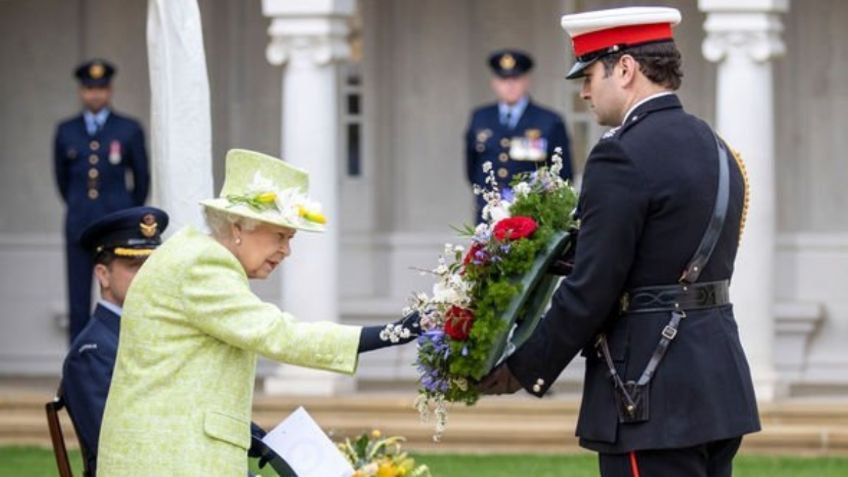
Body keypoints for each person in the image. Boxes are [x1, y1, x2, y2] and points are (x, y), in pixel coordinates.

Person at [479, 6, 760, 477]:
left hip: (648, 393)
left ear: (625, 68)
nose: (585, 91)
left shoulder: (620, 154)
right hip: (718, 383)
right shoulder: (717, 146)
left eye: (589, 74)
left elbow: (593, 287)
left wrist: (522, 367)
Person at [96, 149, 417, 476]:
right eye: (280, 235)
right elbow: (278, 334)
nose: (287, 251)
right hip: (167, 459)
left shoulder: (194, 254)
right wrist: (392, 334)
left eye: (290, 238)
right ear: (238, 226)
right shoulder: (203, 265)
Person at [60, 206, 168, 475]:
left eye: (152, 265)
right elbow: (116, 446)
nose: (147, 276)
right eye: (134, 266)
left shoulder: (155, 334)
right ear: (103, 275)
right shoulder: (93, 352)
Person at [53, 59, 150, 342]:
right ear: (81, 91)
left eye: (101, 88)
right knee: (78, 299)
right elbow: (62, 180)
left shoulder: (129, 129)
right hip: (79, 225)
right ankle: (79, 366)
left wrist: (126, 214)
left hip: (116, 227)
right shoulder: (66, 130)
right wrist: (79, 206)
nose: (95, 94)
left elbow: (142, 179)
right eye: (89, 88)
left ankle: (122, 357)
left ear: (110, 90)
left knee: (123, 292)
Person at [465, 49, 573, 222]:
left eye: (515, 79)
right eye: (503, 79)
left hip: (532, 216)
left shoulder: (549, 121)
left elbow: (564, 174)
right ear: (494, 82)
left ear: (526, 81)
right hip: (489, 215)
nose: (509, 85)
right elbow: (472, 169)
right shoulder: (480, 117)